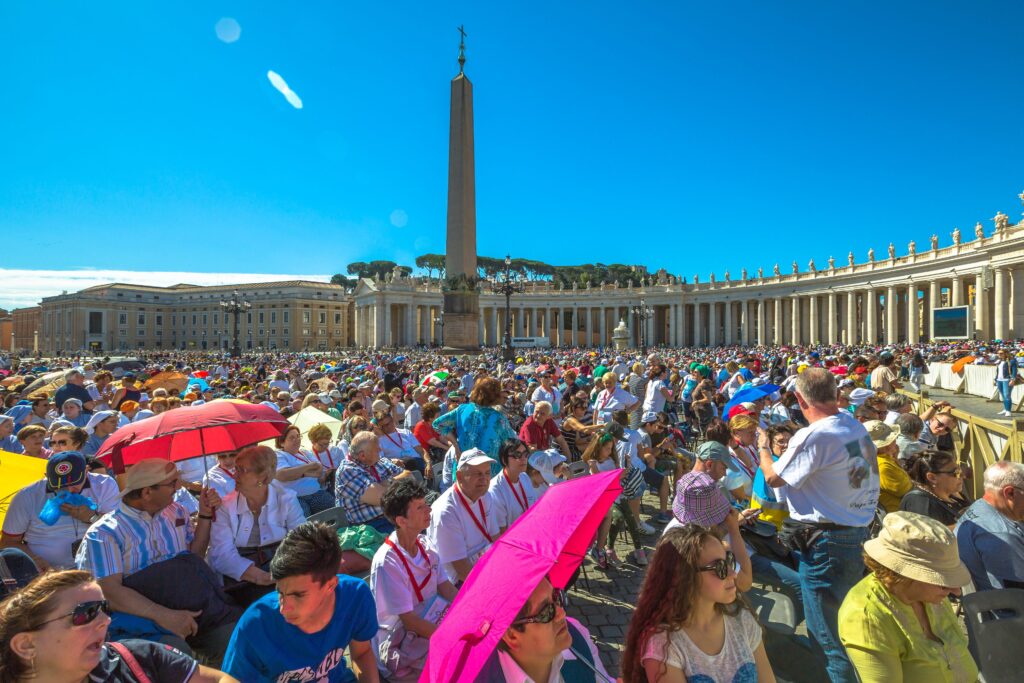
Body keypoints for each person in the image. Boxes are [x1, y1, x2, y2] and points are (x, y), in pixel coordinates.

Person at [755, 368, 879, 683]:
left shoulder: (816, 435)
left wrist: (763, 448)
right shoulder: (851, 424)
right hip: (853, 533)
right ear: (835, 393)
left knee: (827, 637)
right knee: (844, 626)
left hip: (827, 542)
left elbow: (773, 477)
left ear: (799, 398)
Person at [75, 458, 240, 660]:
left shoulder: (177, 511)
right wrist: (165, 617)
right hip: (144, 621)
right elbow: (111, 592)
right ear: (146, 493)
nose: (179, 487)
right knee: (174, 655)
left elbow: (194, 557)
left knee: (237, 637)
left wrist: (205, 516)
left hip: (196, 607)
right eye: (172, 483)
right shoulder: (104, 533)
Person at [0, 569, 237, 683]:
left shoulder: (138, 657)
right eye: (86, 614)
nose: (105, 620)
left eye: (104, 608)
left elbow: (219, 680)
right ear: (26, 645)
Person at [222, 521, 380, 682]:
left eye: (298, 595)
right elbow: (230, 679)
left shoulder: (355, 595)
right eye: (280, 592)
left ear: (330, 586)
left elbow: (362, 653)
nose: (284, 608)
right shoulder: (256, 624)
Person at [621, 524, 775, 683]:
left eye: (729, 560)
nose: (732, 573)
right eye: (719, 567)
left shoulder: (741, 618)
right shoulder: (664, 644)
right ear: (685, 577)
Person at [838, 512, 977, 683]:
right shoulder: (866, 617)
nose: (956, 591)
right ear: (904, 575)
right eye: (943, 581)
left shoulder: (928, 595)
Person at [370, 479, 458, 681]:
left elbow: (445, 587)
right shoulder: (388, 561)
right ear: (401, 521)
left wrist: (468, 608)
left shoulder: (425, 544)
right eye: (420, 507)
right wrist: (449, 636)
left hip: (429, 623)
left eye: (426, 504)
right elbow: (409, 621)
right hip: (399, 642)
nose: (428, 509)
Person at [208, 445, 305, 606]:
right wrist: (262, 577)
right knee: (272, 604)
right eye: (235, 469)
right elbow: (222, 555)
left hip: (283, 566)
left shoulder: (286, 498)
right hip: (242, 577)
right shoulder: (226, 506)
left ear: (264, 478)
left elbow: (302, 540)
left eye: (241, 470)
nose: (234, 474)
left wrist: (286, 572)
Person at [1, 451, 120, 570]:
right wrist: (35, 560)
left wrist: (92, 517)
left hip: (95, 565)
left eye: (74, 483)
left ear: (86, 471)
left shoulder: (104, 484)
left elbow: (118, 530)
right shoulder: (28, 495)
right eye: (60, 486)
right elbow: (7, 542)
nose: (68, 490)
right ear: (47, 476)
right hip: (47, 572)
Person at [479, 576, 610, 683]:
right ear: (512, 636)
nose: (561, 613)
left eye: (556, 597)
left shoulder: (577, 635)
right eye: (546, 612)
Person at [426, 449, 500, 584]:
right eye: (477, 474)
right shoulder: (446, 512)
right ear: (459, 477)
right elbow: (461, 570)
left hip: (487, 563)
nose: (484, 479)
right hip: (461, 581)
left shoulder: (485, 495)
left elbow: (495, 537)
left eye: (487, 473)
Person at [955, 460, 1024, 591]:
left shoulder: (979, 506)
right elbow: (1017, 591)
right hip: (1007, 607)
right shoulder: (1002, 536)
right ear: (1009, 493)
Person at [432, 377, 516, 476]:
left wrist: (455, 444)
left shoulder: (462, 409)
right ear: (495, 396)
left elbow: (438, 424)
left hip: (464, 468)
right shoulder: (499, 418)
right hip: (488, 474)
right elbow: (511, 442)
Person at [335, 431, 412, 533]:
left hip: (394, 515)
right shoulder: (347, 471)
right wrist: (392, 482)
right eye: (376, 449)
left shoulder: (378, 461)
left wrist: (386, 483)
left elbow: (409, 476)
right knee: (410, 532)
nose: (380, 450)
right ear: (362, 455)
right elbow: (383, 498)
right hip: (370, 526)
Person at [274, 425, 334, 516]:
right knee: (305, 525)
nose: (297, 439)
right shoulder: (279, 455)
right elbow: (283, 475)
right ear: (282, 442)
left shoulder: (305, 452)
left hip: (316, 492)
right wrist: (308, 468)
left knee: (334, 512)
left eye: (298, 436)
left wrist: (296, 473)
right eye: (292, 438)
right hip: (296, 498)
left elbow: (319, 470)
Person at [899, 450, 965, 527]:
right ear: (932, 478)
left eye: (960, 470)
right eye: (956, 473)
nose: (962, 476)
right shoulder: (921, 505)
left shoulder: (949, 493)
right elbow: (931, 537)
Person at [750, 423, 794, 530]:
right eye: (781, 441)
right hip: (774, 526)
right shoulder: (777, 465)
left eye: (790, 441)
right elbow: (785, 499)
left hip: (764, 522)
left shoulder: (768, 462)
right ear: (770, 445)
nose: (786, 445)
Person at [488, 438, 537, 533]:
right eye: (517, 455)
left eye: (525, 454)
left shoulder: (524, 477)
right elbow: (501, 532)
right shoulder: (495, 489)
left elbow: (534, 510)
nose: (523, 459)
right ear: (504, 460)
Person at [865, 420, 911, 514]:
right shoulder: (883, 466)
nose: (896, 442)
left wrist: (895, 458)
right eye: (894, 440)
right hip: (901, 515)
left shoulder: (877, 458)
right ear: (887, 445)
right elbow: (907, 493)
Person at [374, 410, 426, 475]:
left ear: (392, 420)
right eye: (382, 426)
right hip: (401, 467)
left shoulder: (406, 432)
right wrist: (392, 461)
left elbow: (421, 451)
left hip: (418, 462)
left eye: (387, 424)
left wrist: (428, 463)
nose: (386, 427)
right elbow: (380, 460)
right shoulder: (379, 441)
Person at [994, 348, 1020, 417]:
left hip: (1007, 380)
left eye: (1001, 353)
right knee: (1003, 396)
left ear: (1006, 354)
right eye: (998, 353)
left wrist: (1012, 380)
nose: (999, 354)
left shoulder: (1012, 361)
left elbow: (1014, 371)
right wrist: (995, 379)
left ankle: (1008, 411)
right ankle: (1005, 409)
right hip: (999, 380)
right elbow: (998, 372)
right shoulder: (999, 361)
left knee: (1007, 396)